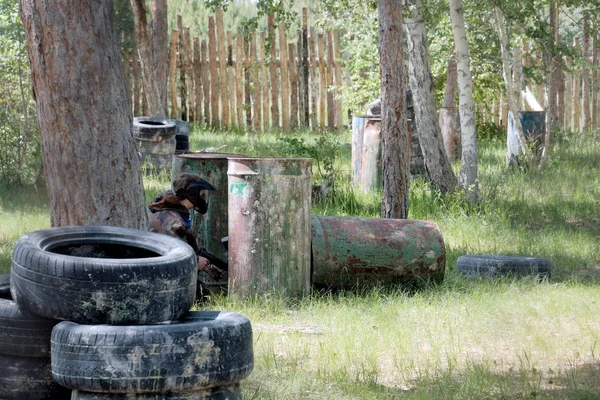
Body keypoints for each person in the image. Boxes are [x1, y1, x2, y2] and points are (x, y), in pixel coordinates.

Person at [148, 173, 225, 280]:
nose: (203, 199)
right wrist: (196, 262)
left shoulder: (166, 210)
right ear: (192, 194)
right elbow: (175, 259)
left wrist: (206, 267)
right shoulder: (174, 222)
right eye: (201, 195)